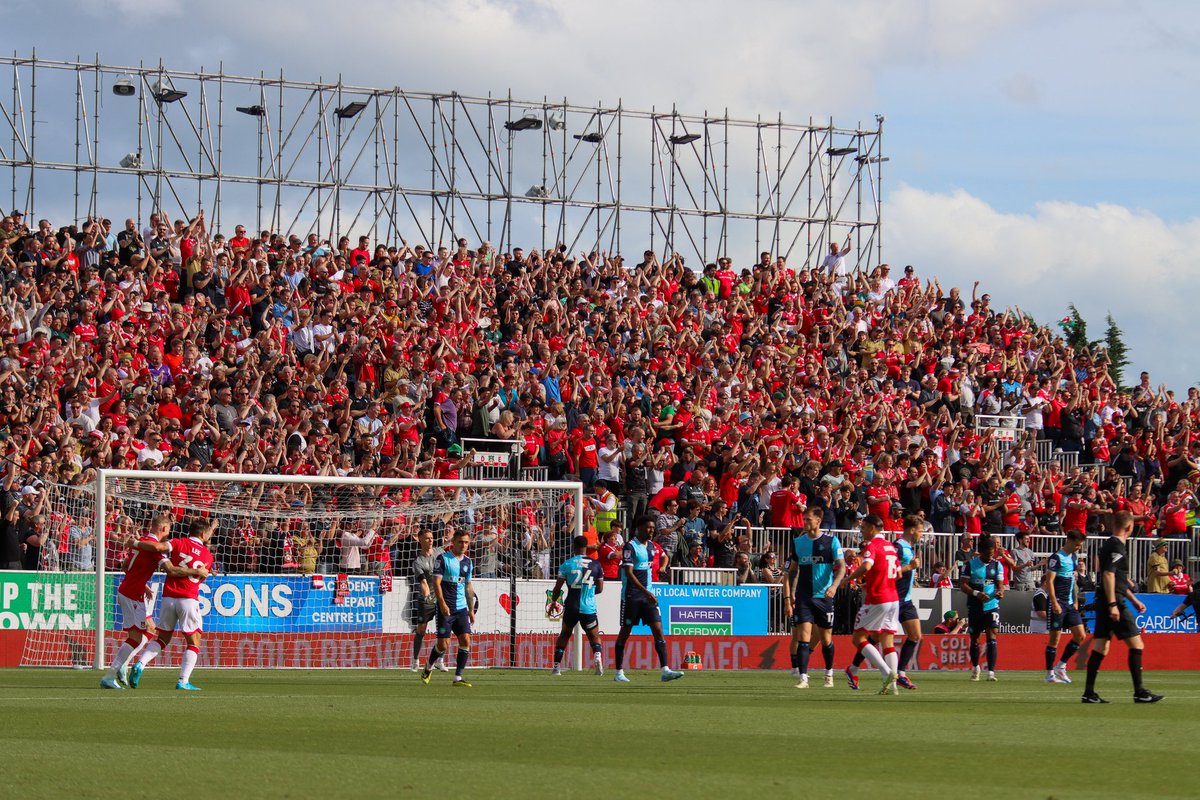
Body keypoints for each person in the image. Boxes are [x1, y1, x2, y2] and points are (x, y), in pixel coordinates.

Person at [100, 513, 208, 689]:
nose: (168, 535)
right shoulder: (154, 549)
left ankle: (125, 664)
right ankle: (111, 674)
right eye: (168, 531)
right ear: (163, 529)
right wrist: (197, 572)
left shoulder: (142, 542)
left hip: (133, 590)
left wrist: (142, 583)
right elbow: (171, 570)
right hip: (131, 593)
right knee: (135, 638)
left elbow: (126, 565)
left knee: (150, 629)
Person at [1082, 511, 1163, 704]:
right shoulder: (1117, 545)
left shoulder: (1108, 545)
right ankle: (1140, 692)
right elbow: (1109, 575)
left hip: (1106, 599)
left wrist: (1134, 600)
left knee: (1101, 646)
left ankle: (1089, 693)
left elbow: (1116, 578)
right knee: (1137, 645)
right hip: (1113, 601)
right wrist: (1113, 604)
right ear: (1129, 527)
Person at [128, 517, 217, 691]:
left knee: (162, 638)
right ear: (203, 534)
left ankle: (140, 663)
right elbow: (201, 574)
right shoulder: (208, 555)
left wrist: (136, 543)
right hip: (188, 599)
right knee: (194, 641)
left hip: (168, 597)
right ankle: (183, 681)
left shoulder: (178, 542)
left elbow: (158, 547)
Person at [613, 514, 684, 684]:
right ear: (639, 528)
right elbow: (629, 574)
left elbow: (662, 558)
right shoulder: (630, 546)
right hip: (631, 596)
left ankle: (665, 670)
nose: (652, 530)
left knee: (658, 629)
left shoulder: (652, 547)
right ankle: (618, 672)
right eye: (649, 527)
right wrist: (646, 592)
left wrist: (649, 591)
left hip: (648, 596)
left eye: (653, 527)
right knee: (625, 632)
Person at [787, 507, 845, 689]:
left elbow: (842, 567)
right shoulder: (798, 542)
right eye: (804, 519)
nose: (804, 522)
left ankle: (829, 673)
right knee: (803, 637)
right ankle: (803, 678)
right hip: (804, 597)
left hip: (823, 597)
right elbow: (792, 571)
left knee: (826, 639)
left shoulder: (831, 541)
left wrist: (834, 587)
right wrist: (790, 597)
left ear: (818, 521)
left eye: (808, 519)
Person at [844, 514, 901, 695]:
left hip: (878, 598)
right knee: (887, 640)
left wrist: (848, 578)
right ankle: (892, 687)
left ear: (871, 528)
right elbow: (898, 573)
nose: (861, 531)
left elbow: (867, 566)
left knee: (858, 638)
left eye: (863, 528)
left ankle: (887, 673)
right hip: (893, 599)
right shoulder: (890, 546)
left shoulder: (873, 545)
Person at [422, 529, 476, 687]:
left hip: (461, 609)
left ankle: (458, 678)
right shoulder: (443, 558)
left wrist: (471, 610)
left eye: (466, 542)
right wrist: (443, 603)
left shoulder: (468, 562)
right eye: (460, 542)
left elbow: (468, 587)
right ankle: (428, 666)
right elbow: (436, 583)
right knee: (443, 644)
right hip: (446, 608)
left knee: (465, 640)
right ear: (453, 542)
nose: (463, 545)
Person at [549, 535, 605, 676]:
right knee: (594, 636)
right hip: (589, 607)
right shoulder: (596, 564)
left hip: (571, 606)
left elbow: (557, 588)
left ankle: (556, 667)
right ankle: (597, 656)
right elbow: (600, 588)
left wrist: (554, 602)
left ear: (573, 547)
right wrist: (589, 593)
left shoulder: (567, 564)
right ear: (586, 547)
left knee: (565, 635)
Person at [1044, 530, 1087, 685]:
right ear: (1069, 541)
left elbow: (1072, 581)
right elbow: (1049, 582)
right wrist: (1054, 602)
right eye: (1076, 545)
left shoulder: (1073, 558)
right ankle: (1049, 674)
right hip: (1058, 603)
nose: (1078, 548)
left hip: (1069, 603)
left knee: (1080, 635)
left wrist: (1075, 599)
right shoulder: (1057, 558)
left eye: (1080, 546)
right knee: (1055, 639)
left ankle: (1061, 666)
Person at [959, 534, 1004, 682]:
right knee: (975, 639)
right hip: (975, 605)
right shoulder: (970, 565)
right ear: (981, 551)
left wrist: (1000, 592)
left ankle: (991, 671)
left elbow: (1000, 584)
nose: (991, 556)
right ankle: (976, 667)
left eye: (993, 553)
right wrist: (976, 593)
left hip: (992, 605)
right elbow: (963, 585)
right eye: (988, 553)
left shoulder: (997, 565)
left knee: (992, 635)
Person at [893, 514, 925, 689]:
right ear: (911, 530)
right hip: (893, 599)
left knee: (915, 636)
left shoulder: (909, 548)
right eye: (920, 531)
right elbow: (890, 569)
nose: (921, 534)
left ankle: (901, 674)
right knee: (874, 638)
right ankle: (854, 667)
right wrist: (910, 567)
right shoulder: (897, 546)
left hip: (906, 600)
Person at [408, 529, 447, 673]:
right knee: (421, 630)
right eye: (427, 538)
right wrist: (426, 593)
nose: (430, 540)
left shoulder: (440, 552)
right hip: (427, 599)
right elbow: (422, 582)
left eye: (431, 538)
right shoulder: (418, 561)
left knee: (444, 630)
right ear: (420, 540)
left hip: (442, 597)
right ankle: (415, 661)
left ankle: (440, 661)